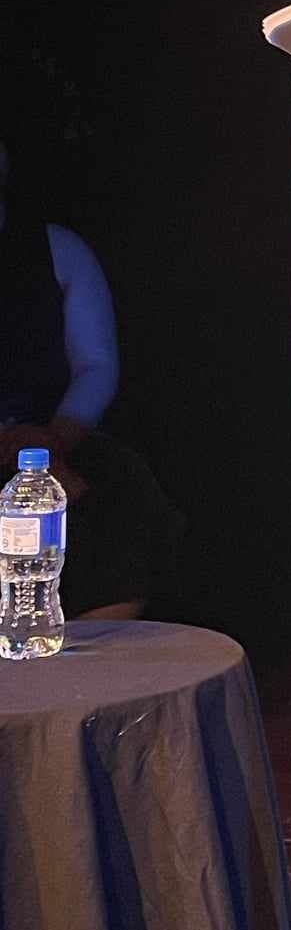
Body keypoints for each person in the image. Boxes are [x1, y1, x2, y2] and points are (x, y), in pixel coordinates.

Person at [0, 137, 183, 618]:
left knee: (117, 485)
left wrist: (53, 438)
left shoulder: (56, 250)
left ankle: (103, 643)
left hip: (49, 435)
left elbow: (96, 364)